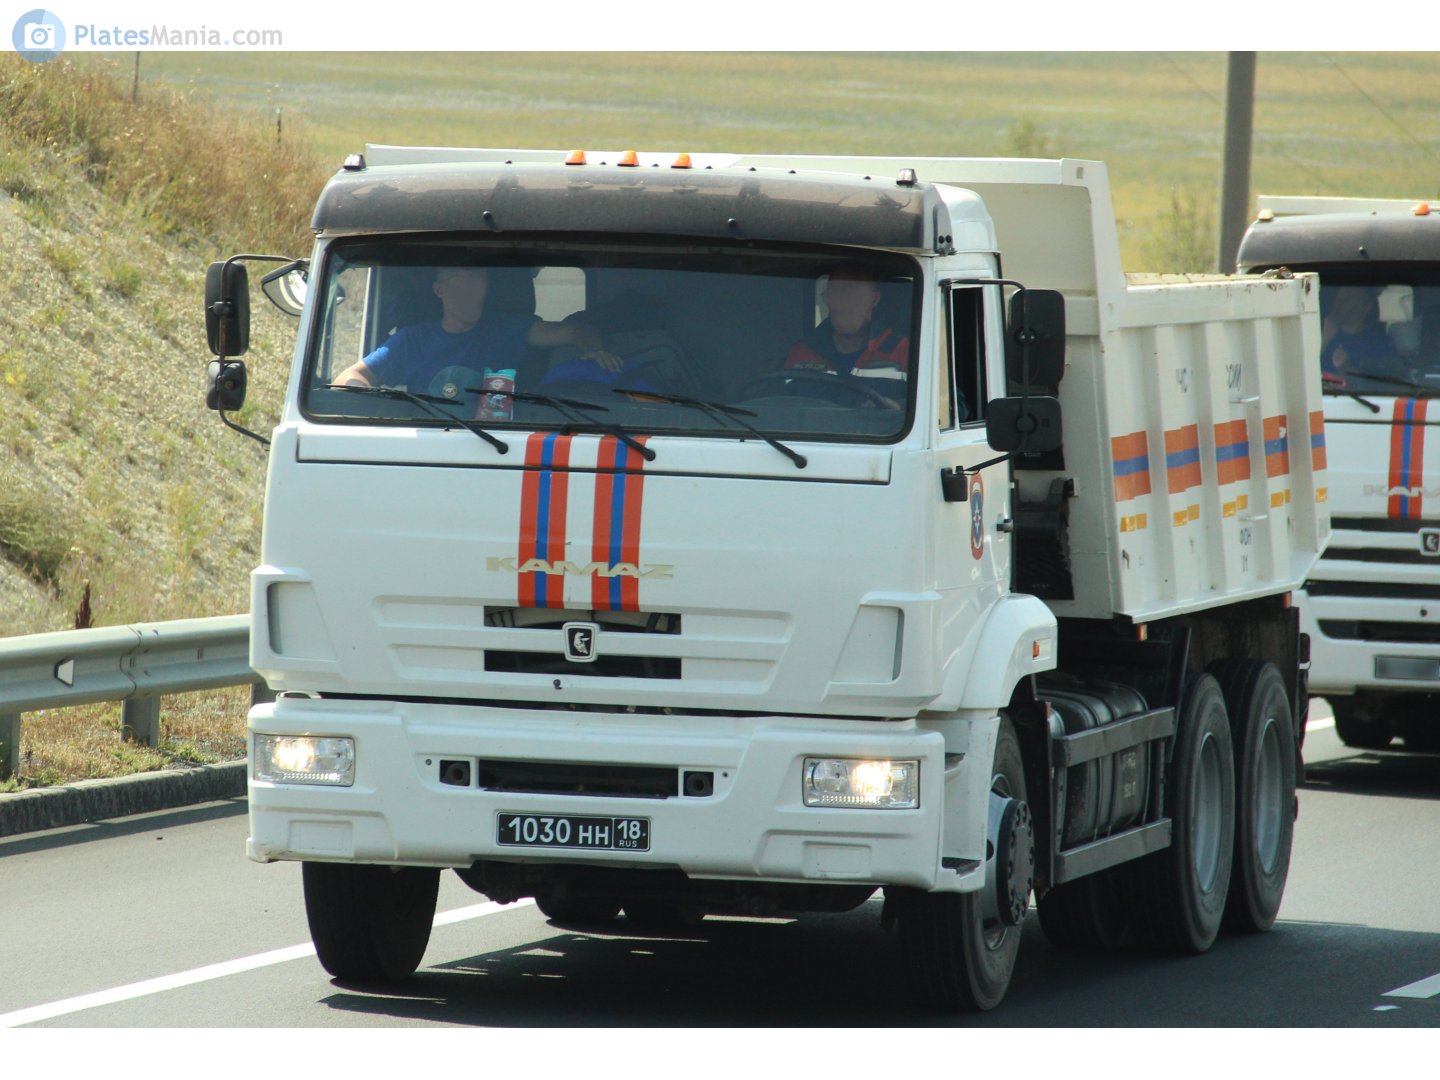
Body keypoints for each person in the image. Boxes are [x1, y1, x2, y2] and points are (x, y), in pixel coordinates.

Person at [330, 266, 618, 392]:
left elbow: (575, 332)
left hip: (496, 440)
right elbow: (351, 376)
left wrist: (595, 351)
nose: (474, 289)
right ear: (439, 290)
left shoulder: (508, 329)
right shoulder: (412, 340)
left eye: (479, 280)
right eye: (463, 280)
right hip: (424, 445)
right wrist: (361, 393)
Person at [784, 264, 909, 376]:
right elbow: (785, 400)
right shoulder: (802, 352)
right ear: (826, 298)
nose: (842, 300)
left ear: (874, 299)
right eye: (835, 291)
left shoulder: (901, 352)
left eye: (851, 290)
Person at [1320, 285, 1403, 379]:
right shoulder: (1319, 334)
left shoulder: (1378, 342)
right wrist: (1325, 338)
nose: (1340, 300)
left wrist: (1348, 368)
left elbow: (1385, 386)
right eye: (1339, 296)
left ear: (1366, 307)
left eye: (1348, 296)